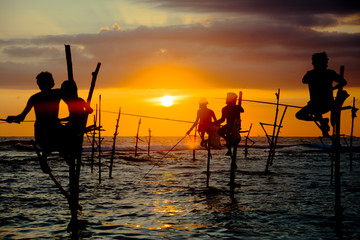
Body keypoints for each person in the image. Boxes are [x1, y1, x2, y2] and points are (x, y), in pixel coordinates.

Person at [6, 71, 63, 173]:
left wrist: (13, 118)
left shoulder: (35, 97)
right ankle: (46, 159)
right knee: (61, 141)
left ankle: (45, 158)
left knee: (56, 142)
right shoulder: (56, 93)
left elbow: (21, 117)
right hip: (49, 131)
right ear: (51, 83)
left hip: (42, 132)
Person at [295, 52, 347, 136]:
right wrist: (333, 88)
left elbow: (343, 82)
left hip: (326, 104)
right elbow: (343, 82)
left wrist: (333, 88)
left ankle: (323, 125)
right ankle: (323, 124)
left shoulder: (327, 73)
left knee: (309, 112)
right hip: (316, 104)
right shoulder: (314, 74)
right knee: (299, 115)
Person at [60, 80, 93, 158]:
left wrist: (84, 112)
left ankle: (67, 152)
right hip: (74, 125)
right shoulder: (75, 101)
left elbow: (90, 110)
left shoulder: (74, 101)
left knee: (63, 135)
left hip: (76, 126)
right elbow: (72, 117)